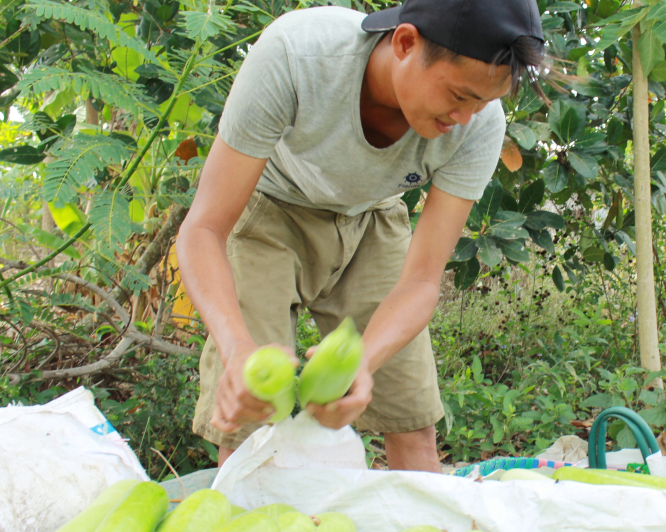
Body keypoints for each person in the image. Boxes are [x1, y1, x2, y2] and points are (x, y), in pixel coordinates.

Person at [176, 0, 546, 471]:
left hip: (372, 215)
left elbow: (421, 281)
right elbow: (203, 228)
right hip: (268, 208)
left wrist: (364, 361)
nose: (465, 118)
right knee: (251, 418)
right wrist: (235, 345)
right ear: (406, 42)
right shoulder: (297, 54)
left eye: (484, 102)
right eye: (459, 95)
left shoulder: (477, 126)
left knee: (411, 419)